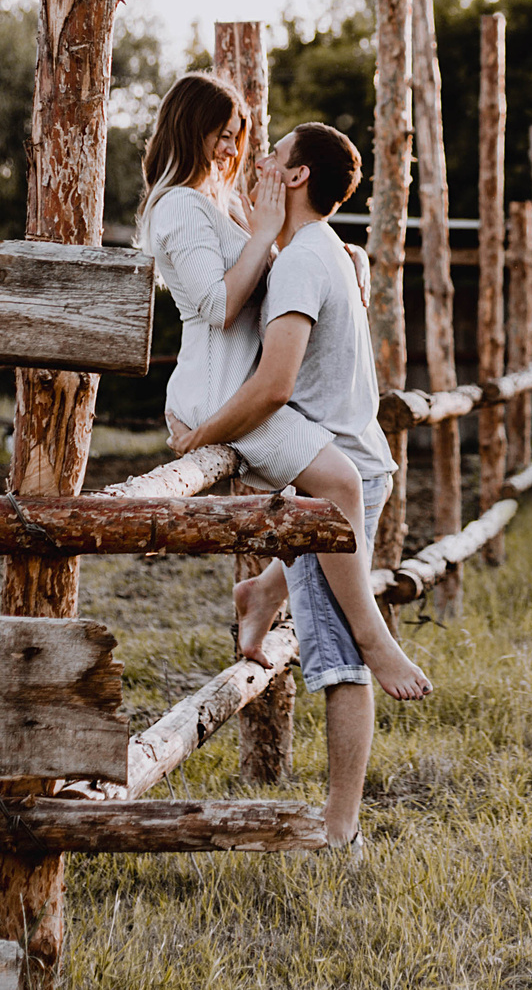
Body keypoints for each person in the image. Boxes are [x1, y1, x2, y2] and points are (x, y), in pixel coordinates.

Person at [168, 121, 432, 850]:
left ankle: (340, 829)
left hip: (334, 490)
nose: (258, 160)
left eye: (273, 154)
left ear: (295, 177)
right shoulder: (329, 251)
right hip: (362, 463)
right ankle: (262, 592)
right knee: (326, 607)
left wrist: (203, 431)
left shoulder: (297, 265)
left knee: (344, 658)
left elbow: (275, 383)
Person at [138, 74, 285, 458]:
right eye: (223, 136)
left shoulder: (227, 203)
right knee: (346, 484)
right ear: (191, 130)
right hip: (214, 395)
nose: (232, 151)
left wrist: (349, 255)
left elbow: (284, 271)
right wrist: (262, 236)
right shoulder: (180, 205)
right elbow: (219, 307)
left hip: (243, 391)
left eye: (235, 138)